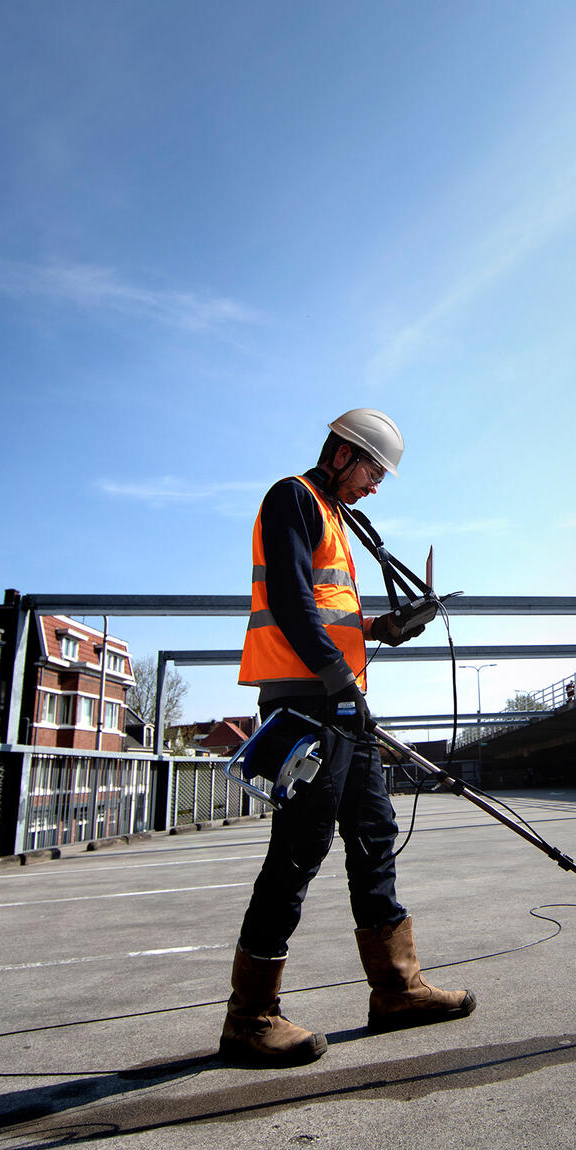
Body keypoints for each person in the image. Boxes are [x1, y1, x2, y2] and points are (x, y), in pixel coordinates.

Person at [221, 408, 475, 1066]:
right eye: (372, 470)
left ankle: (396, 988)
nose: (375, 485)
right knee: (301, 847)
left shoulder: (336, 516)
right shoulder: (294, 499)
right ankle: (249, 1017)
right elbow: (291, 596)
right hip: (306, 703)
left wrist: (381, 629)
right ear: (340, 452)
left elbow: (328, 611)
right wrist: (338, 682)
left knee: (373, 831)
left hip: (339, 702)